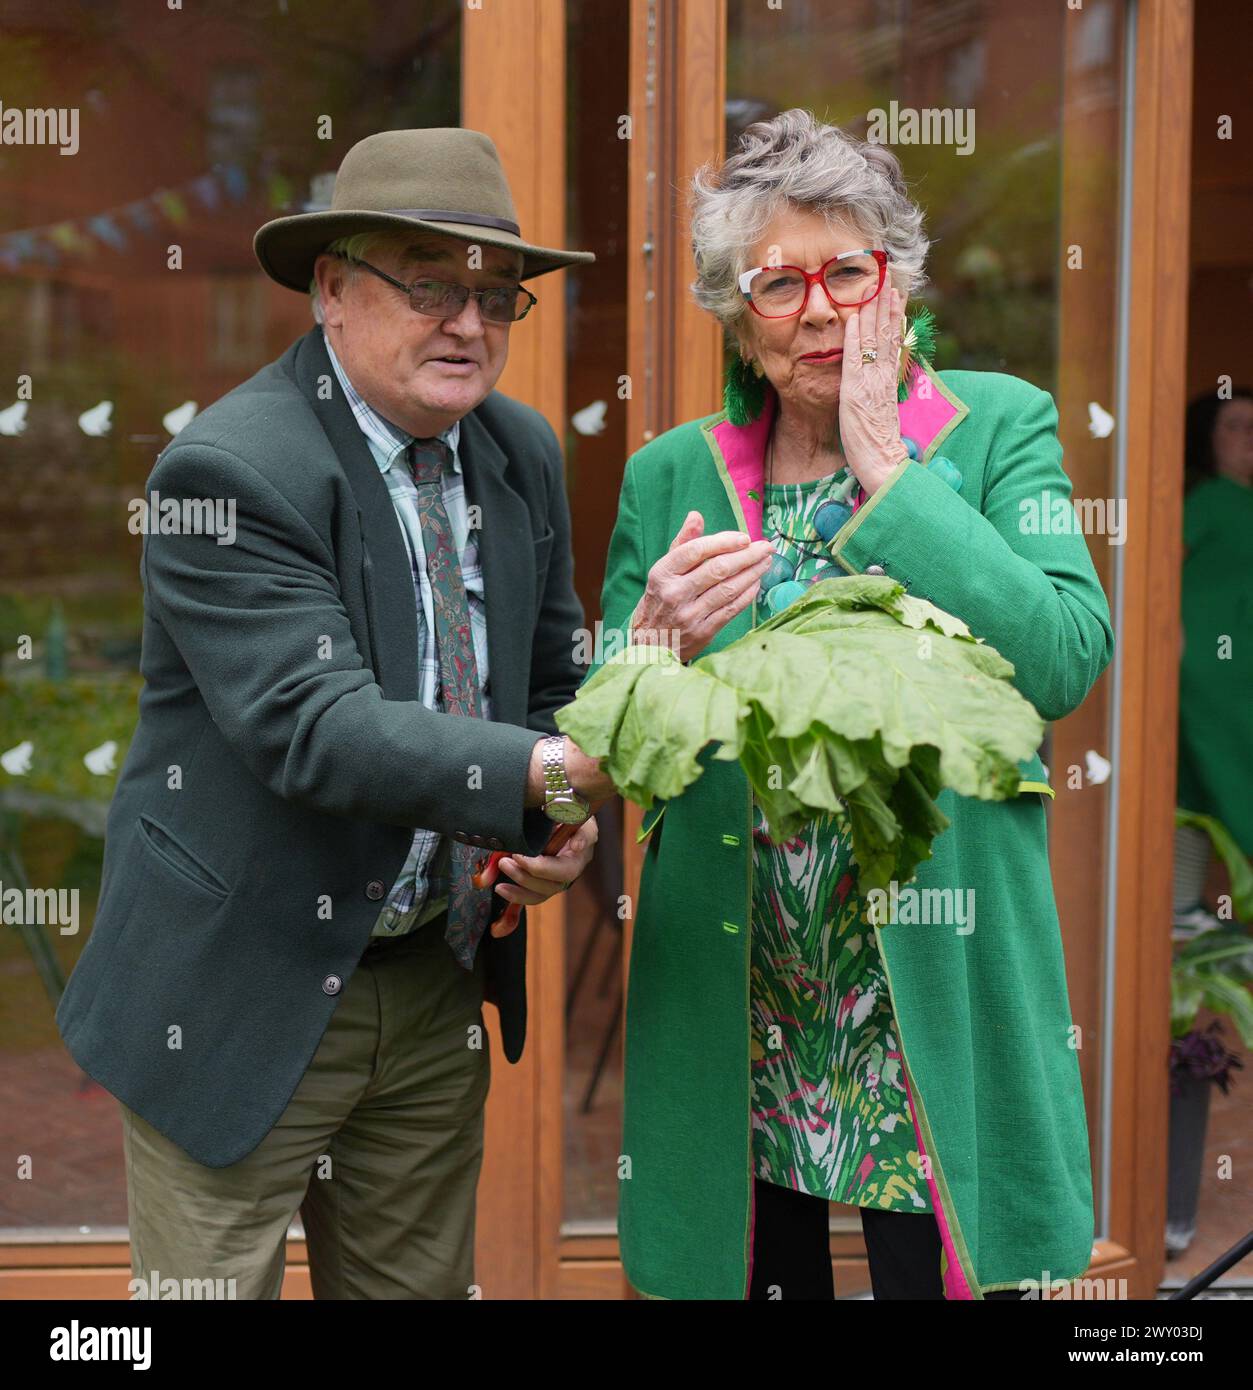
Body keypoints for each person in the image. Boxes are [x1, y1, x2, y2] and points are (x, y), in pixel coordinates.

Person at [56, 127, 609, 1299]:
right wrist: (560, 766)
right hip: (234, 983)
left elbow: (552, 679)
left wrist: (558, 826)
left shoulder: (518, 452)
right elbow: (318, 727)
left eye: (491, 293)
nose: (466, 321)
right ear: (330, 289)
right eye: (425, 283)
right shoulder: (227, 472)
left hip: (430, 990)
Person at [585, 109, 1114, 1299]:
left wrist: (891, 478)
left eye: (845, 272)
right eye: (778, 282)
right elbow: (614, 737)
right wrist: (650, 645)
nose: (817, 309)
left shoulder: (991, 428)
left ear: (894, 284)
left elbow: (1064, 658)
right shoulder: (669, 473)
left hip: (928, 980)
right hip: (742, 984)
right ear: (734, 309)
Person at [1172, 388, 1253, 936]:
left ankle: (1184, 909)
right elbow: (1158, 563)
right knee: (1225, 775)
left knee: (1199, 783)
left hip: (1239, 669)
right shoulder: (1209, 499)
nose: (1250, 438)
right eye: (1236, 425)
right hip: (1209, 671)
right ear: (1207, 437)